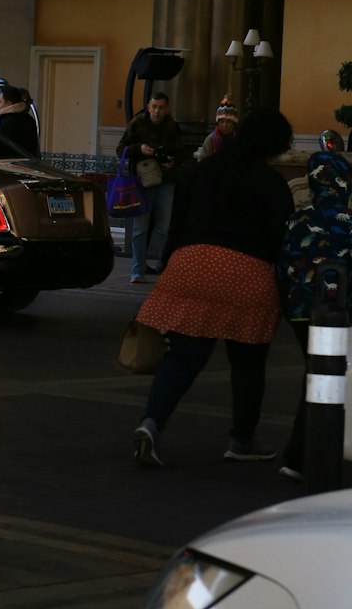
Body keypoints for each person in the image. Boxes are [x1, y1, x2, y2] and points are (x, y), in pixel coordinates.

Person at [132, 107, 296, 468]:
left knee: (183, 356)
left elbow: (177, 222)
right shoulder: (271, 183)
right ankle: (241, 439)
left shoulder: (201, 170)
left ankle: (151, 423)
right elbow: (280, 238)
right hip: (247, 271)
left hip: (192, 264)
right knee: (248, 362)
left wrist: (170, 261)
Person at [276, 148, 352, 481]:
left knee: (317, 377)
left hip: (301, 313)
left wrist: (288, 306)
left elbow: (281, 267)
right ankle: (301, 458)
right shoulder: (348, 224)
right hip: (340, 316)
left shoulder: (296, 221)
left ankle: (299, 457)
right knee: (330, 382)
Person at [118, 91, 185, 285]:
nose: (157, 111)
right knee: (140, 228)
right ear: (148, 106)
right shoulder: (138, 124)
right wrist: (139, 149)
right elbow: (120, 149)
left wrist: (173, 161)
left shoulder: (172, 127)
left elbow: (182, 151)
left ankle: (162, 266)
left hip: (166, 180)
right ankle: (137, 270)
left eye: (161, 107)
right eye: (154, 107)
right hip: (142, 181)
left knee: (163, 228)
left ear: (167, 109)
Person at [0, 85, 40, 156]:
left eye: (0, 101)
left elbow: (1, 148)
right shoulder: (29, 119)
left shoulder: (7, 122)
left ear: (9, 103)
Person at [197, 93, 238, 160]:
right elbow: (202, 161)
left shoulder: (238, 139)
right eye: (221, 122)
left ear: (234, 124)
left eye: (228, 122)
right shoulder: (211, 139)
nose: (224, 125)